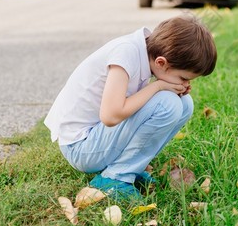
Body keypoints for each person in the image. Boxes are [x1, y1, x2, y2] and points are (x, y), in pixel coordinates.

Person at [44, 16, 217, 201]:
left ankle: (131, 166)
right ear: (161, 63)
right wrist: (157, 86)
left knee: (184, 104)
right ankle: (115, 177)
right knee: (168, 103)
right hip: (80, 148)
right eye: (183, 78)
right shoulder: (126, 54)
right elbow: (110, 116)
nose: (186, 83)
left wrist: (171, 88)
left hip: (97, 139)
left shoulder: (144, 51)